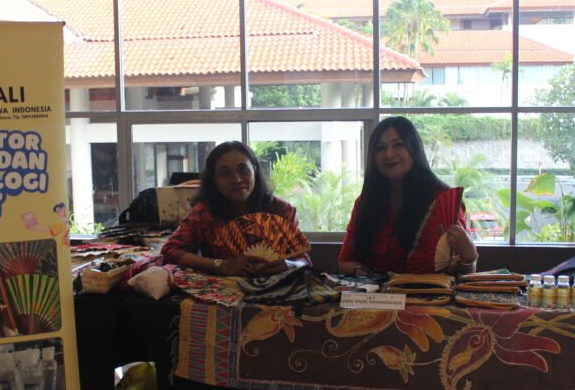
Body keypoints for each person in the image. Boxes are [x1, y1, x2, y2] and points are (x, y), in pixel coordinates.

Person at [338, 116, 477, 277]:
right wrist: (362, 271)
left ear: (414, 149)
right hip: (376, 291)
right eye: (380, 148)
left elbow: (463, 274)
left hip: (431, 292)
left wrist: (469, 255)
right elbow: (344, 262)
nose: (388, 154)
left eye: (398, 144)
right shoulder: (365, 202)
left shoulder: (443, 201)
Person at [161, 141, 310, 277]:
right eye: (225, 173)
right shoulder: (204, 213)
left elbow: (303, 260)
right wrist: (221, 265)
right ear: (214, 180)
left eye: (243, 170)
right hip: (222, 291)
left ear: (254, 171)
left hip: (277, 290)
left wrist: (290, 265)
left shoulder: (281, 210)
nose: (237, 179)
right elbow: (170, 252)